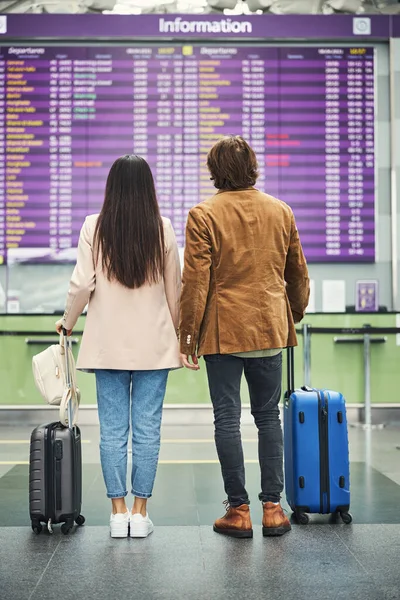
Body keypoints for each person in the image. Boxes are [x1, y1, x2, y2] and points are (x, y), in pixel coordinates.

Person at [179, 136, 310, 539]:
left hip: (223, 332)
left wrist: (188, 337)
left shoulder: (203, 214)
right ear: (252, 166)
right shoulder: (280, 210)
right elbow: (298, 275)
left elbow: (195, 282)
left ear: (214, 171)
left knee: (226, 418)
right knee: (268, 416)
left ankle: (238, 510)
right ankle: (273, 508)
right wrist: (291, 314)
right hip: (269, 327)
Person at [56, 155, 181, 538]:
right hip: (155, 347)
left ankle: (117, 513)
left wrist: (68, 322)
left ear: (111, 186)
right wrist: (184, 339)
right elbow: (175, 291)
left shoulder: (95, 226)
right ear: (148, 188)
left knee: (112, 432)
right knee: (147, 430)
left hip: (108, 346)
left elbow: (81, 285)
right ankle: (140, 515)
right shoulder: (162, 228)